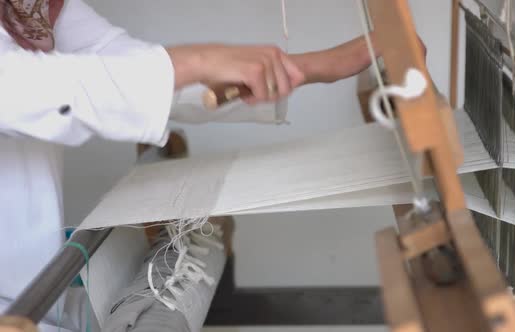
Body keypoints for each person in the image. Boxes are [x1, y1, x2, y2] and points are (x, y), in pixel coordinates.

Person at [0, 0, 425, 331]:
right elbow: (23, 88)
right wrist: (198, 60)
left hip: (31, 292)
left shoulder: (30, 9)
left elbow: (129, 70)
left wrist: (314, 66)